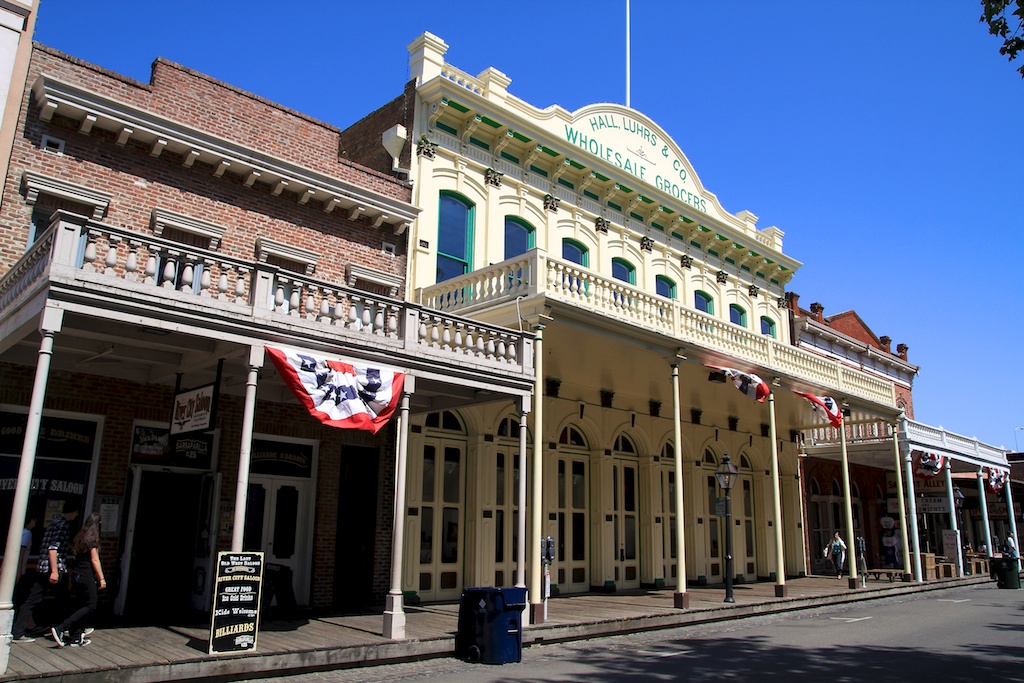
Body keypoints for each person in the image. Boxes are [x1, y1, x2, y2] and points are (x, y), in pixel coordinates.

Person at [11, 499, 80, 643]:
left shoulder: (53, 523)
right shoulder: (63, 525)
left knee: (33, 599)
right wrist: (55, 570)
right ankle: (65, 628)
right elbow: (53, 548)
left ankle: (18, 631)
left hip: (42, 567)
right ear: (73, 512)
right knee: (63, 600)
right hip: (53, 568)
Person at [51, 512, 105, 647]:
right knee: (91, 605)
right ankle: (61, 628)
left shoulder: (80, 537)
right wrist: (101, 578)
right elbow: (94, 559)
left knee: (81, 604)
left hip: (76, 574)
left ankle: (76, 636)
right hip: (86, 574)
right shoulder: (92, 540)